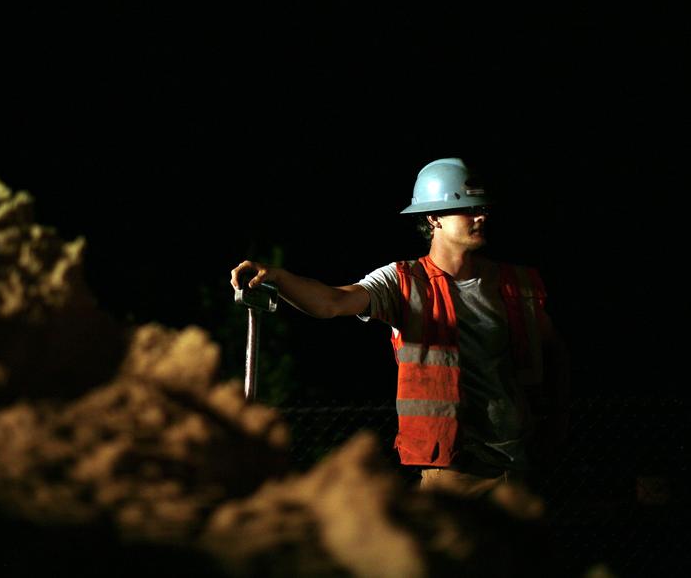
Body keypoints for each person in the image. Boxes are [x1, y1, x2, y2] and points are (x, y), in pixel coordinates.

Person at [230, 158, 570, 498]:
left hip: (521, 466)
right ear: (433, 218)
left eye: (481, 208)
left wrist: (556, 422)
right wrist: (280, 278)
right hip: (455, 472)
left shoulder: (515, 284)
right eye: (466, 209)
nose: (480, 216)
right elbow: (331, 302)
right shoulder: (403, 281)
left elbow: (553, 352)